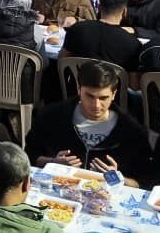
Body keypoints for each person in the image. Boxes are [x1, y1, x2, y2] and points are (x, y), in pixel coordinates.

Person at [24, 60, 152, 185]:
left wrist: (119, 179)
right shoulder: (52, 116)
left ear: (114, 94)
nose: (96, 105)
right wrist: (52, 163)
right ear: (79, 89)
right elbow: (29, 155)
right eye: (90, 96)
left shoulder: (131, 131)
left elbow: (143, 181)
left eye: (103, 98)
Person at [58, 0, 142, 72]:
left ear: (98, 8)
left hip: (77, 79)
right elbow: (133, 78)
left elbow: (62, 59)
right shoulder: (133, 44)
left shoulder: (76, 29)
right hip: (112, 80)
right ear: (124, 12)